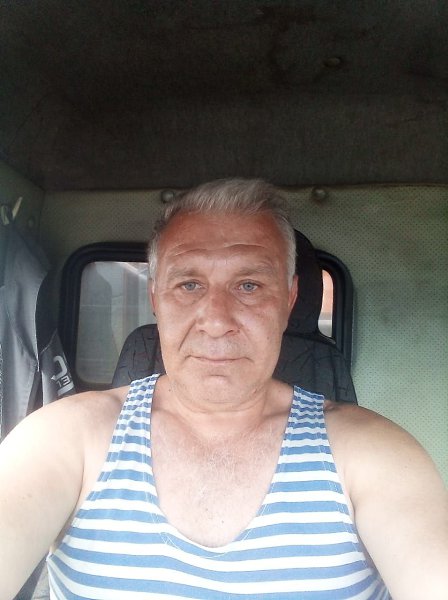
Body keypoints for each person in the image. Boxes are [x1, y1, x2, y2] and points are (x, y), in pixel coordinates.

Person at [0, 179, 447, 600]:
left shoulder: (374, 453)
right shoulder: (63, 438)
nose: (216, 320)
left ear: (289, 301)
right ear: (156, 299)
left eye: (249, 285)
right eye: (189, 284)